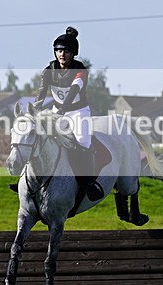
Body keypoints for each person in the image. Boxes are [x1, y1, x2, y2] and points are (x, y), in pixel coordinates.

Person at [12, 26, 103, 201]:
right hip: (56, 111)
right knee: (37, 138)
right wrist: (35, 110)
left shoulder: (80, 69)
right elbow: (41, 92)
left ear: (73, 53)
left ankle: (89, 182)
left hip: (78, 112)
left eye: (66, 51)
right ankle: (24, 180)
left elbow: (75, 89)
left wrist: (63, 108)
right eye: (58, 50)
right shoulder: (49, 70)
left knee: (83, 143)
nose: (62, 54)